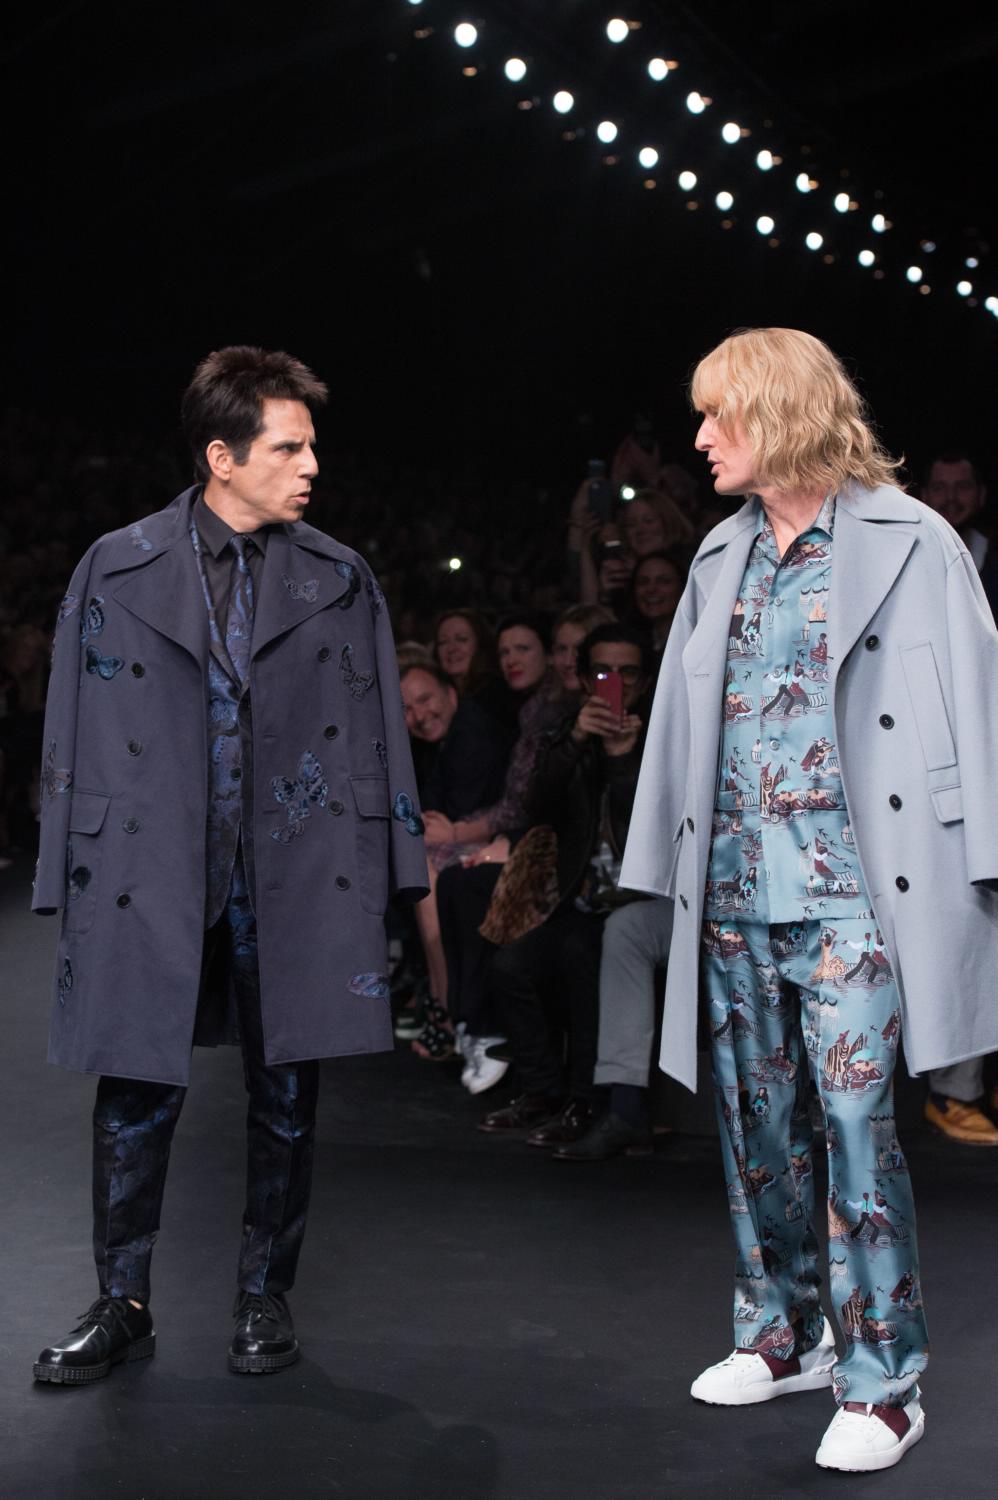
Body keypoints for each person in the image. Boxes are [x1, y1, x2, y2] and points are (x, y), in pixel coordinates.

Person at [622, 327, 998, 1473]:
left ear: (779, 413)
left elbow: (976, 701)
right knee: (755, 1129)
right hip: (736, 886)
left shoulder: (910, 540)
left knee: (851, 1127)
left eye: (715, 417)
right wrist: (657, 868)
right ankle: (778, 1332)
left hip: (856, 893)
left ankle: (882, 1380)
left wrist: (979, 866)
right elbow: (682, 729)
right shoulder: (716, 556)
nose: (698, 440)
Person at [31, 346, 427, 1384]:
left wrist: (399, 872)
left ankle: (264, 1293)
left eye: (308, 445)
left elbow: (381, 727)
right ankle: (122, 1300)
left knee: (285, 1088)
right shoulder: (115, 565)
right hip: (144, 861)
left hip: (295, 869)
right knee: (132, 1086)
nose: (308, 466)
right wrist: (55, 874)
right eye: (287, 447)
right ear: (222, 455)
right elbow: (67, 730)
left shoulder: (338, 579)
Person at [479, 624, 651, 1147]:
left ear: (644, 680)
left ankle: (587, 1101)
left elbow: (651, 827)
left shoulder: (663, 732)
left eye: (627, 673)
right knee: (509, 965)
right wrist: (578, 739)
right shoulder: (567, 730)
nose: (614, 682)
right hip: (582, 897)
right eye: (602, 672)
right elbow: (534, 804)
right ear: (581, 676)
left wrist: (622, 759)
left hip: (640, 902)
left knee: (582, 954)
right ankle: (542, 1092)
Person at [919, 450, 998, 1144]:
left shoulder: (991, 562)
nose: (951, 498)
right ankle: (949, 1090)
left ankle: (962, 1089)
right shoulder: (909, 558)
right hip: (922, 763)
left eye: (961, 486)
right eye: (938, 487)